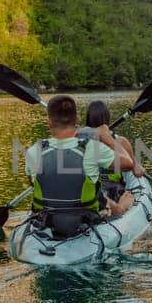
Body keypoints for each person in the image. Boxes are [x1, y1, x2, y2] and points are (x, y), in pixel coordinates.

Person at [24, 94, 133, 237]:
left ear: (49, 122)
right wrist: (106, 137)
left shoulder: (34, 151)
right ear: (76, 119)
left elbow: (33, 183)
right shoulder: (92, 148)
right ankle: (119, 209)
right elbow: (129, 163)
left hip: (45, 221)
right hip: (85, 220)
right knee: (99, 194)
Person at [82, 100, 138, 208]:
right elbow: (137, 172)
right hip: (114, 194)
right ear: (107, 119)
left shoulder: (80, 142)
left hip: (90, 193)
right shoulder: (121, 142)